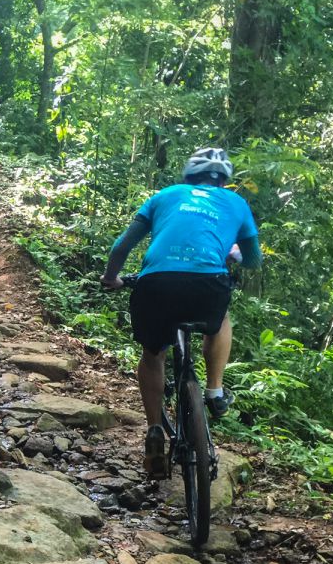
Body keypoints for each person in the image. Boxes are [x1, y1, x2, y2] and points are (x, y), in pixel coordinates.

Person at [99, 147, 262, 478]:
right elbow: (254, 260)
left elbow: (122, 245)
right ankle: (215, 390)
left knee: (152, 355)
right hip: (208, 286)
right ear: (224, 180)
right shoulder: (236, 203)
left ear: (189, 176)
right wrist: (233, 254)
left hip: (156, 284)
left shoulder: (166, 195)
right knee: (220, 319)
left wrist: (111, 278)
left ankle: (154, 430)